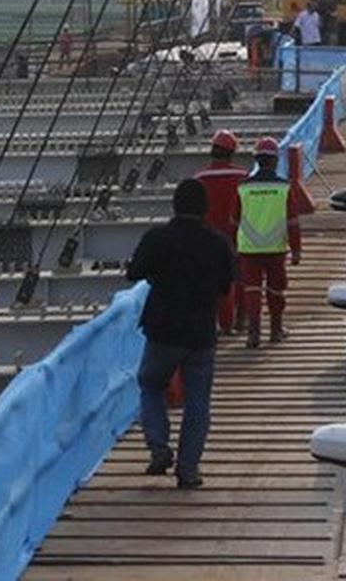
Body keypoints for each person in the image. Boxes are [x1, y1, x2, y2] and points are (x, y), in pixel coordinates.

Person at [127, 179, 235, 489]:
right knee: (198, 401)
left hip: (162, 330)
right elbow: (227, 285)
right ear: (205, 208)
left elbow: (134, 272)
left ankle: (159, 448)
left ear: (175, 205)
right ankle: (188, 471)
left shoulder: (158, 238)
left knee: (150, 383)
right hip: (201, 333)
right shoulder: (217, 244)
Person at [237, 137, 303, 348]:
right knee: (276, 290)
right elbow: (292, 221)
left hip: (248, 248)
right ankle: (276, 330)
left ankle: (253, 333)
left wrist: (232, 245)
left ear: (257, 159)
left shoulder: (243, 187)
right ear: (275, 161)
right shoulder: (283, 188)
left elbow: (233, 219)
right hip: (275, 248)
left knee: (252, 291)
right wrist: (296, 250)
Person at [195, 130, 249, 334]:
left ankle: (223, 324)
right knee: (240, 278)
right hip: (239, 235)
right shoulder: (243, 177)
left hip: (209, 238)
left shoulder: (200, 178)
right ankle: (241, 318)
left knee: (217, 283)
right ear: (232, 152)